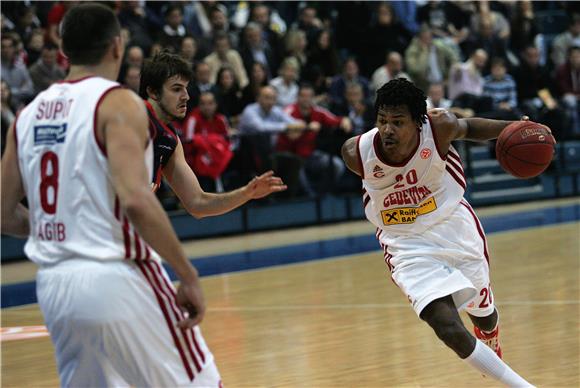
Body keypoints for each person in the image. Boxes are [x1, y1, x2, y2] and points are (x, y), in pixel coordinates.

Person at [1, 3, 218, 387]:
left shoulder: (27, 114)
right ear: (117, 47)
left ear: (64, 50)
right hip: (117, 275)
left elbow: (3, 214)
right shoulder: (118, 103)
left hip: (54, 286)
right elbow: (136, 199)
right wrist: (187, 275)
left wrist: (65, 230)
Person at [341, 78, 540, 386]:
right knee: (445, 325)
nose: (387, 130)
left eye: (398, 122)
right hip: (404, 242)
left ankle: (490, 337)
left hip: (453, 226)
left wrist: (514, 128)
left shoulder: (439, 127)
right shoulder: (357, 153)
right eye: (382, 121)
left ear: (419, 122)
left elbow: (470, 128)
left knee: (483, 314)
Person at [140, 52, 287, 217]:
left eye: (186, 89)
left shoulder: (170, 138)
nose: (186, 97)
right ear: (153, 92)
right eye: (176, 89)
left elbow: (198, 203)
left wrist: (246, 193)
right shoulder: (134, 116)